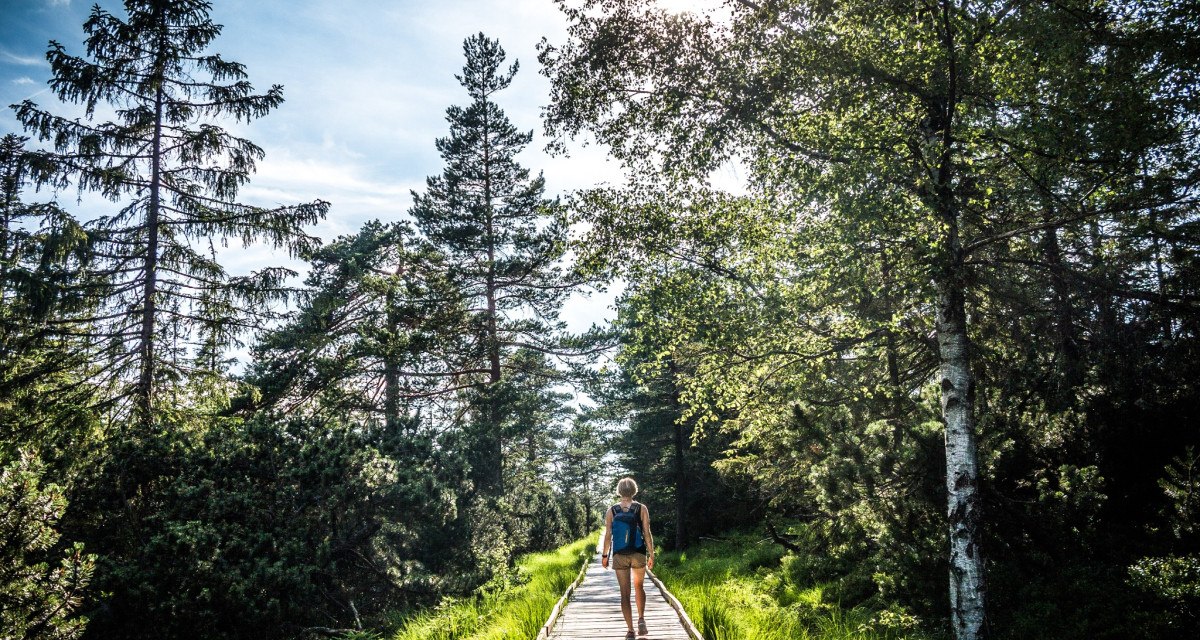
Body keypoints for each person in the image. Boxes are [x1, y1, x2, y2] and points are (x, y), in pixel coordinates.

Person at [602, 477, 655, 639]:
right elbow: (647, 533)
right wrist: (651, 553)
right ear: (634, 490)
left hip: (619, 554)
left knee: (625, 593)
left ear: (619, 491)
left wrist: (605, 555)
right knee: (639, 586)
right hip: (638, 552)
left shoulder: (612, 511)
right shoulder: (641, 508)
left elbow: (608, 535)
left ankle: (630, 630)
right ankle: (641, 619)